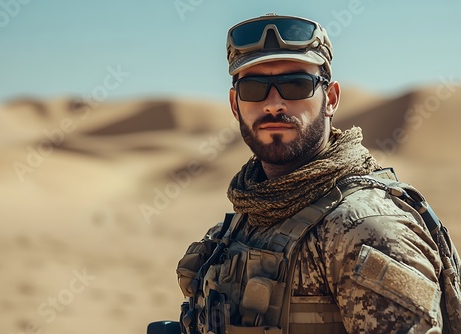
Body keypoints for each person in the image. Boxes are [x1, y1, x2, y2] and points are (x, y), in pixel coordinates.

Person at [175, 14, 460, 334]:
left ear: (331, 98)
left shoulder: (365, 229)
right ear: (234, 104)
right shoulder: (251, 212)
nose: (273, 104)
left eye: (296, 84)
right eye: (253, 88)